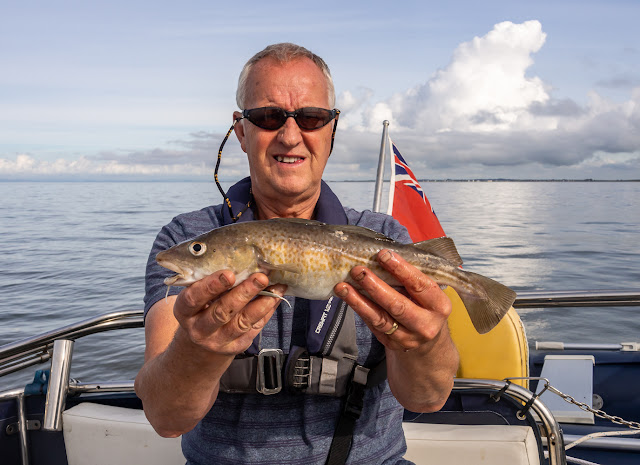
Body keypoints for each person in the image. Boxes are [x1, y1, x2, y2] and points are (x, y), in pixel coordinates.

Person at [135, 43, 459, 465]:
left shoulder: (385, 237)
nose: (290, 135)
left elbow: (428, 398)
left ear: (331, 129)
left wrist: (424, 344)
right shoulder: (189, 238)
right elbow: (165, 417)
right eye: (268, 117)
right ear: (240, 130)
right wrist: (197, 349)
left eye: (310, 117)